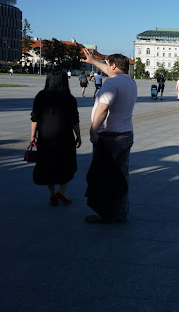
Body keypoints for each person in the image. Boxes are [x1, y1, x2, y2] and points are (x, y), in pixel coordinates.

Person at [81, 53, 137, 223]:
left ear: (113, 66)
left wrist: (93, 131)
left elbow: (103, 107)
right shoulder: (130, 82)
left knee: (103, 177)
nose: (106, 68)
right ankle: (121, 214)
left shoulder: (112, 83)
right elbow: (110, 70)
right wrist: (93, 61)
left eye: (107, 65)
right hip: (126, 135)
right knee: (121, 176)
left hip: (109, 137)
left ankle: (105, 215)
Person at [30, 70, 81, 206]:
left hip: (45, 137)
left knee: (47, 164)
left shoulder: (40, 96)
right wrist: (79, 136)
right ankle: (62, 192)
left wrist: (32, 135)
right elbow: (75, 120)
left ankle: (52, 194)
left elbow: (34, 117)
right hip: (65, 137)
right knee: (67, 164)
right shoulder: (69, 98)